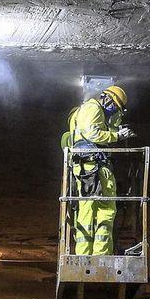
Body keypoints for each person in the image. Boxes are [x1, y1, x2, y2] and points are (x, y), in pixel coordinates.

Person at [60, 84, 131, 256]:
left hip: (90, 167)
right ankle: (96, 255)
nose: (113, 111)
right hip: (93, 167)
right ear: (106, 98)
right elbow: (93, 134)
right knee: (101, 209)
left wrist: (115, 129)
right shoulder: (93, 108)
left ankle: (93, 255)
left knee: (93, 210)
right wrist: (117, 136)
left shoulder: (89, 112)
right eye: (114, 106)